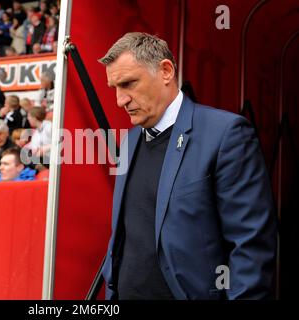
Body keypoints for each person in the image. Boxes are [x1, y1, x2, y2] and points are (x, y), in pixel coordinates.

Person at [99, 32, 277, 300]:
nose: (120, 100)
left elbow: (250, 245)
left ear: (166, 71)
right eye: (115, 88)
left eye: (129, 84)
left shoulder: (226, 134)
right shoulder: (130, 140)